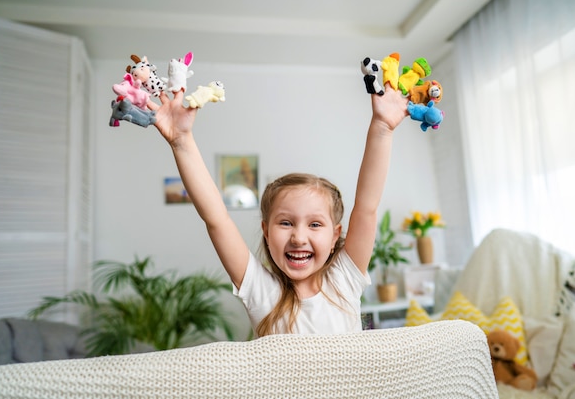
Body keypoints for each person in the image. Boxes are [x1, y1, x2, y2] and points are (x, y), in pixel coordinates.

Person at [151, 83, 409, 337]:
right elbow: (216, 219)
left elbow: (366, 208)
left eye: (315, 224)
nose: (298, 237)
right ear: (266, 231)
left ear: (334, 236)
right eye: (286, 223)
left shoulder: (345, 280)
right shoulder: (260, 291)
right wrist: (181, 141)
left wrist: (383, 127)